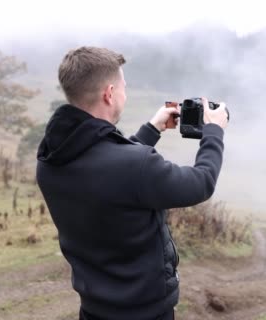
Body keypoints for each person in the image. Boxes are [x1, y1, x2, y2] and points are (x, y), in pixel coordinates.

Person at [36, 46, 228, 320]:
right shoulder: (134, 165)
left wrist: (151, 130)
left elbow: (106, 171)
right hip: (146, 313)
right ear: (110, 93)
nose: (126, 93)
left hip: (93, 310)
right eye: (124, 86)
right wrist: (214, 132)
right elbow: (201, 183)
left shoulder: (49, 161)